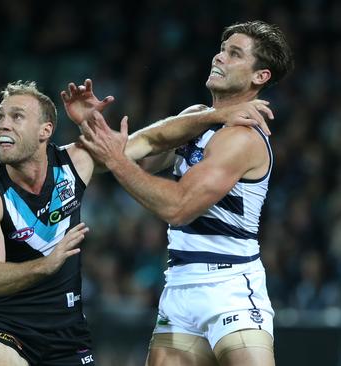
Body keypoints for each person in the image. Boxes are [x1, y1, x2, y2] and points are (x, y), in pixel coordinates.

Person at [0, 80, 273, 366]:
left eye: (16, 116)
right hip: (7, 327)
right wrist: (47, 264)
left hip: (66, 334)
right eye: (0, 116)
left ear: (45, 130)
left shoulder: (74, 166)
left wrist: (215, 115)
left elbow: (149, 140)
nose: (3, 124)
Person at [77, 20, 294, 366]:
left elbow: (178, 207)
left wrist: (115, 159)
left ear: (260, 77)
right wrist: (96, 130)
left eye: (234, 54)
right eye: (222, 49)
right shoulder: (198, 118)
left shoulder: (242, 137)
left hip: (230, 288)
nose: (219, 58)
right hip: (180, 286)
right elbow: (135, 161)